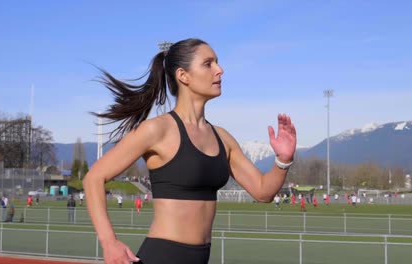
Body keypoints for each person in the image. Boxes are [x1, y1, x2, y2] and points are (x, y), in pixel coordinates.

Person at [83, 38, 296, 264]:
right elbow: (94, 178)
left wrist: (283, 160)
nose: (220, 70)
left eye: (217, 63)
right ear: (183, 76)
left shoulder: (223, 138)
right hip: (162, 256)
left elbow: (263, 192)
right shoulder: (157, 130)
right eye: (208, 64)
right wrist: (109, 242)